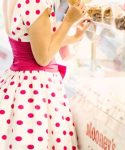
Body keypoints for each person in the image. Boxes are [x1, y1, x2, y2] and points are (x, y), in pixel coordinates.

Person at [0, 0, 91, 149]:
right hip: (35, 91)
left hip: (18, 83)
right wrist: (68, 21)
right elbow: (43, 57)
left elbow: (36, 40)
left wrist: (74, 37)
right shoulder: (37, 3)